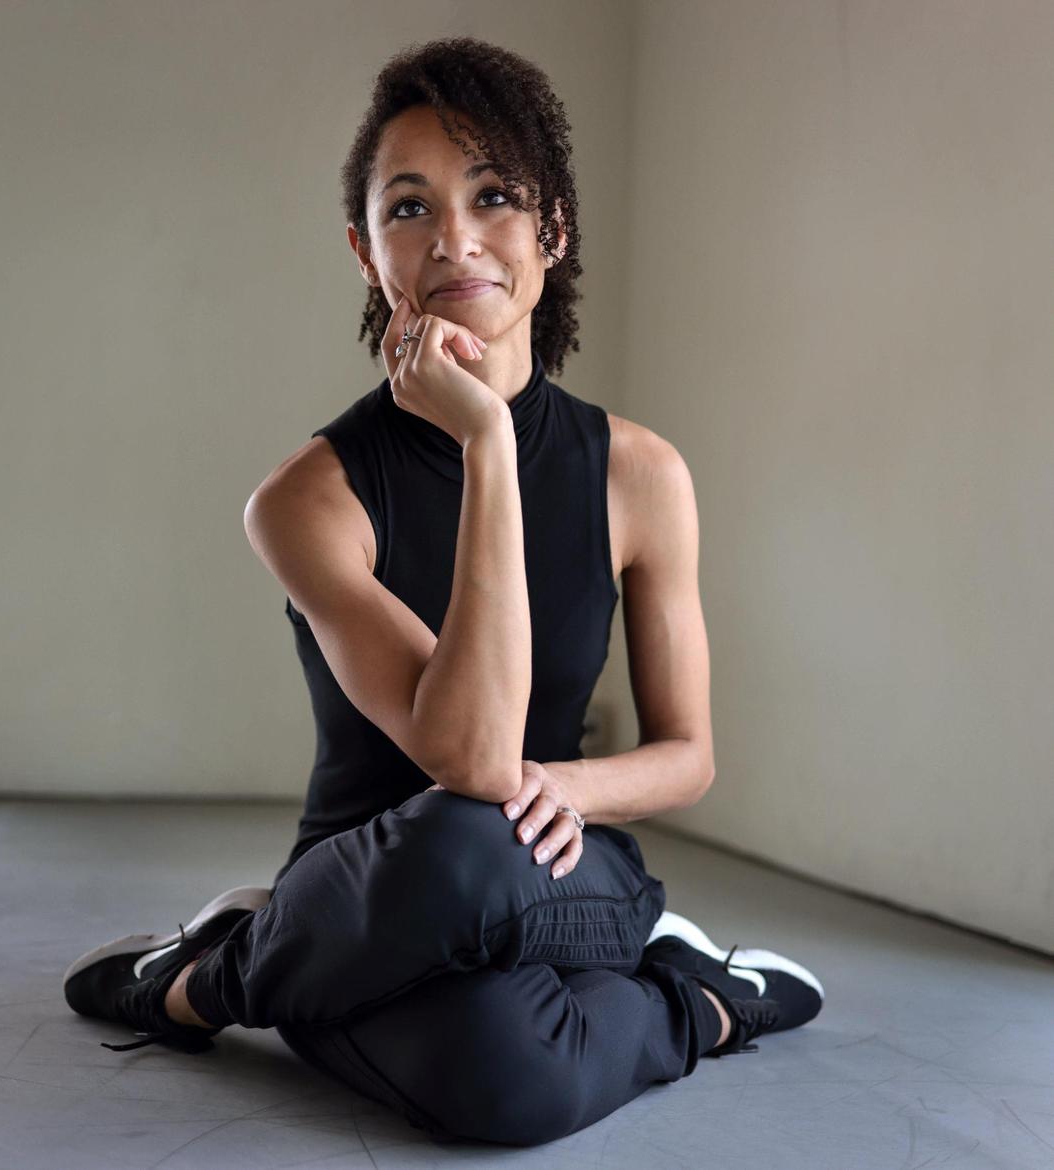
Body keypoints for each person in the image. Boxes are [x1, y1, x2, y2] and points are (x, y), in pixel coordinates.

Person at [63, 37, 824, 1147]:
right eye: (409, 208)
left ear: (554, 229)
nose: (455, 238)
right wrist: (488, 448)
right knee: (507, 1071)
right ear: (366, 251)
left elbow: (687, 755)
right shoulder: (306, 500)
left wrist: (566, 789)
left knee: (483, 848)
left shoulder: (641, 475)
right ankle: (698, 1003)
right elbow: (465, 757)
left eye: (495, 196)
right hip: (375, 876)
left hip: (557, 861)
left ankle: (209, 981)